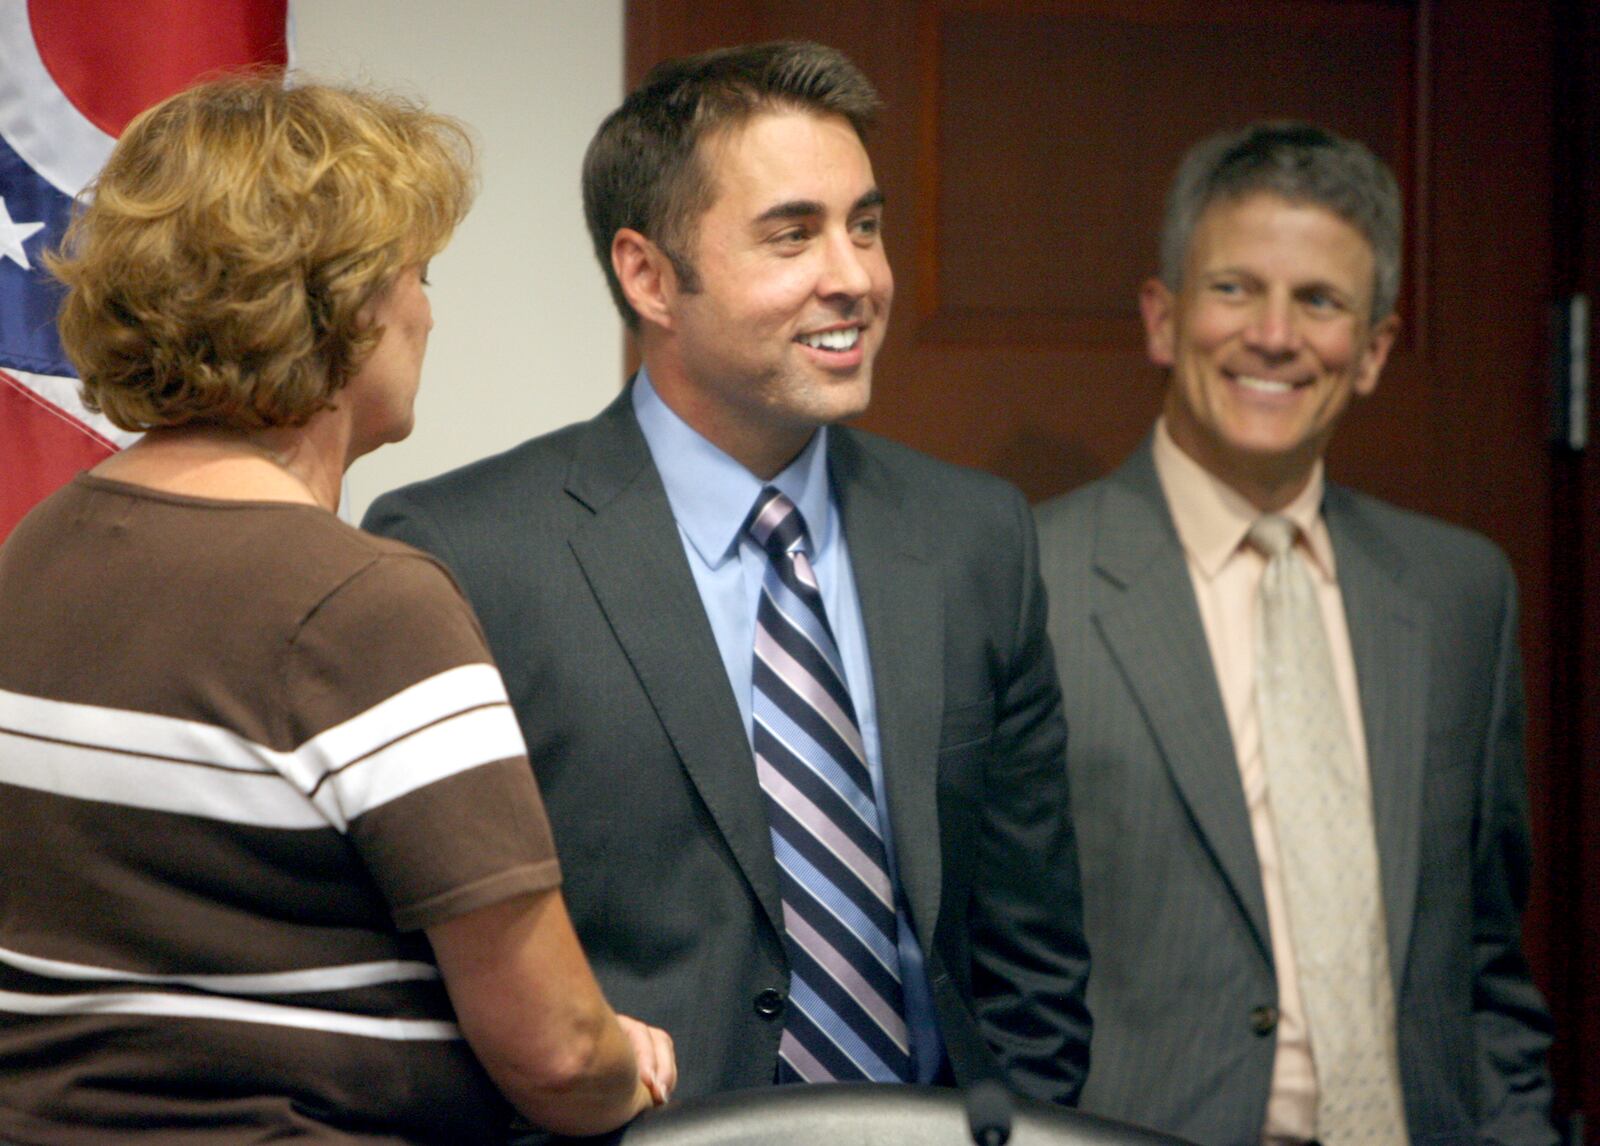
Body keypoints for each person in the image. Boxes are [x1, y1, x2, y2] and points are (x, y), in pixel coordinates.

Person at [364, 41, 1090, 1105]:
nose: (856, 277)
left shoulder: (974, 536)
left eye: (867, 226)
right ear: (648, 275)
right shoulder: (463, 552)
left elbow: (1033, 957)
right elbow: (433, 980)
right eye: (793, 235)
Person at [0, 75, 674, 1143]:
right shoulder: (363, 609)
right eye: (417, 274)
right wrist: (620, 1070)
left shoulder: (38, 546)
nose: (426, 311)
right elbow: (552, 1052)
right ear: (342, 305)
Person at [1034, 121, 1555, 1145]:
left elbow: (1487, 961)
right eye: (1233, 288)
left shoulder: (1458, 596)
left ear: (1369, 352)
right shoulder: (1028, 584)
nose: (1273, 335)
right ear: (1161, 315)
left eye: (1318, 301)